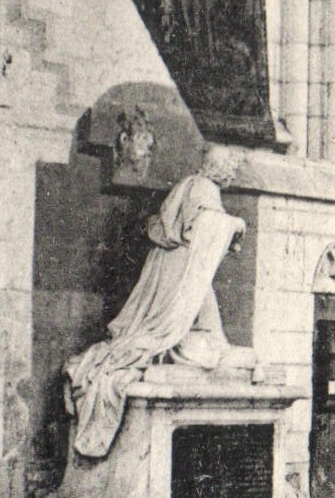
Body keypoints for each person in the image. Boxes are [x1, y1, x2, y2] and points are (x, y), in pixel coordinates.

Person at [64, 145, 246, 458]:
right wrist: (237, 225)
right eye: (233, 165)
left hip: (171, 266)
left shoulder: (189, 184)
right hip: (182, 271)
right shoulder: (204, 187)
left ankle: (199, 346)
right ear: (221, 167)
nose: (235, 171)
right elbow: (207, 227)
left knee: (204, 324)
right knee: (191, 327)